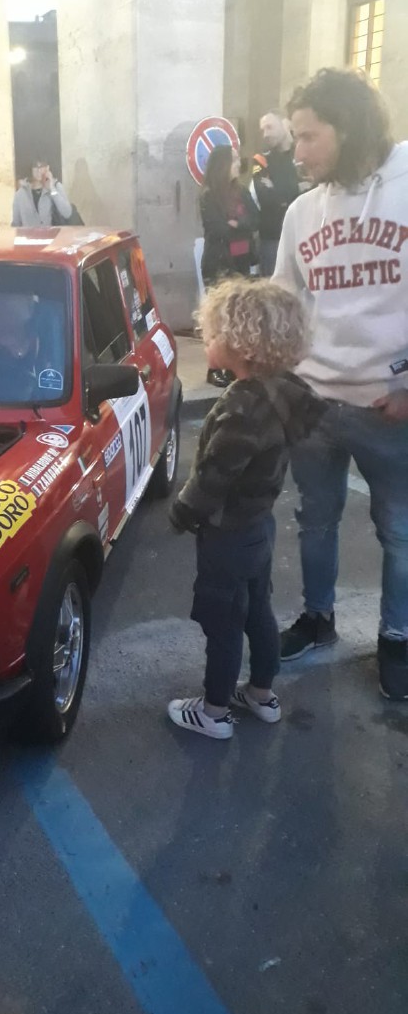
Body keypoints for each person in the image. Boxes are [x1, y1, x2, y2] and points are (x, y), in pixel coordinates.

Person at [274, 68, 408, 700]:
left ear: (347, 127)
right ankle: (318, 618)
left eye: (308, 136)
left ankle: (398, 638)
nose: (296, 151)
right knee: (315, 519)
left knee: (402, 531)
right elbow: (284, 302)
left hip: (392, 408)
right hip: (315, 405)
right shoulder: (302, 211)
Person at [167, 278, 326, 739]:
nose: (207, 341)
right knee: (258, 610)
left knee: (223, 620)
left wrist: (181, 513)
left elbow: (214, 477)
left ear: (242, 344)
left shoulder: (242, 409)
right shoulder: (284, 391)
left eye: (213, 334)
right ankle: (261, 694)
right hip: (259, 524)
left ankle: (214, 712)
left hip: (228, 533)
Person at [199, 145, 259, 388]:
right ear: (223, 165)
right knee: (218, 319)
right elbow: (216, 228)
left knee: (237, 317)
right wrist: (235, 226)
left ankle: (234, 365)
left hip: (241, 262)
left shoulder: (242, 192)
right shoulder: (209, 196)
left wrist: (237, 223)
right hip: (219, 264)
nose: (238, 164)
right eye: (233, 160)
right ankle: (215, 367)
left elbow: (255, 219)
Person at [251, 110, 303, 276]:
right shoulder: (260, 160)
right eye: (262, 130)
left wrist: (277, 188)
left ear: (286, 124)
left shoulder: (303, 155)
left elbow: (315, 190)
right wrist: (295, 188)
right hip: (272, 240)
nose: (265, 134)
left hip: (303, 236)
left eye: (270, 127)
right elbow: (265, 198)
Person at [12, 160, 73, 227]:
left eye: (42, 166)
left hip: (53, 235)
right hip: (29, 236)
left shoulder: (56, 186)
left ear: (47, 168)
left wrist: (52, 189)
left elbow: (67, 213)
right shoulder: (21, 193)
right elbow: (16, 223)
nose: (39, 171)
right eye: (35, 167)